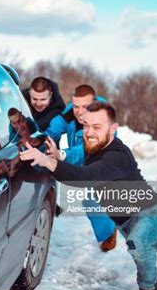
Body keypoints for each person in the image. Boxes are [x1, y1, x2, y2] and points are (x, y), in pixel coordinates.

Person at [19, 101, 157, 290]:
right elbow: (73, 160)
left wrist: (49, 162)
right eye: (86, 126)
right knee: (155, 243)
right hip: (124, 221)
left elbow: (87, 176)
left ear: (113, 129)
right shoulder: (92, 149)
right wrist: (53, 157)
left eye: (97, 127)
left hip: (150, 213)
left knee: (140, 243)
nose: (89, 132)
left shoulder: (118, 155)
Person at [43, 84, 117, 251]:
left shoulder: (104, 118)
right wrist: (43, 141)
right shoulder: (70, 114)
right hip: (81, 162)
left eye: (85, 106)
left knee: (92, 199)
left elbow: (91, 147)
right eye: (76, 106)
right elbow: (54, 129)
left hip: (102, 161)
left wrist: (61, 154)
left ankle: (108, 234)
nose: (79, 111)